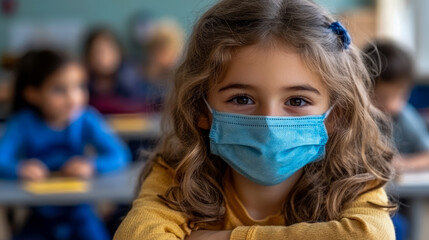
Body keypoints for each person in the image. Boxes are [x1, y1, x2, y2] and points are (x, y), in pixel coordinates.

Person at [114, 0, 396, 239]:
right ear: (199, 110)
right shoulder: (178, 175)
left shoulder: (351, 179)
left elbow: (370, 235)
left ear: (336, 115)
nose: (268, 122)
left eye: (297, 101)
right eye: (242, 99)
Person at [0, 49, 129, 240]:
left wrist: (91, 165)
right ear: (33, 94)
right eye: (59, 89)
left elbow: (119, 154)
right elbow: (2, 159)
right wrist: (19, 169)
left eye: (79, 86)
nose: (73, 98)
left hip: (80, 215)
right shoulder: (21, 123)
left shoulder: (86, 119)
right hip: (38, 217)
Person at [364, 40, 429, 173]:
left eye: (400, 96)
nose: (391, 105)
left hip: (401, 191)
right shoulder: (357, 118)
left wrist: (401, 164)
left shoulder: (405, 116)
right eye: (381, 97)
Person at [83, 27, 148, 114]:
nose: (103, 57)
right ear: (88, 55)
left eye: (109, 51)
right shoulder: (82, 86)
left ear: (119, 52)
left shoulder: (132, 83)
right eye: (98, 52)